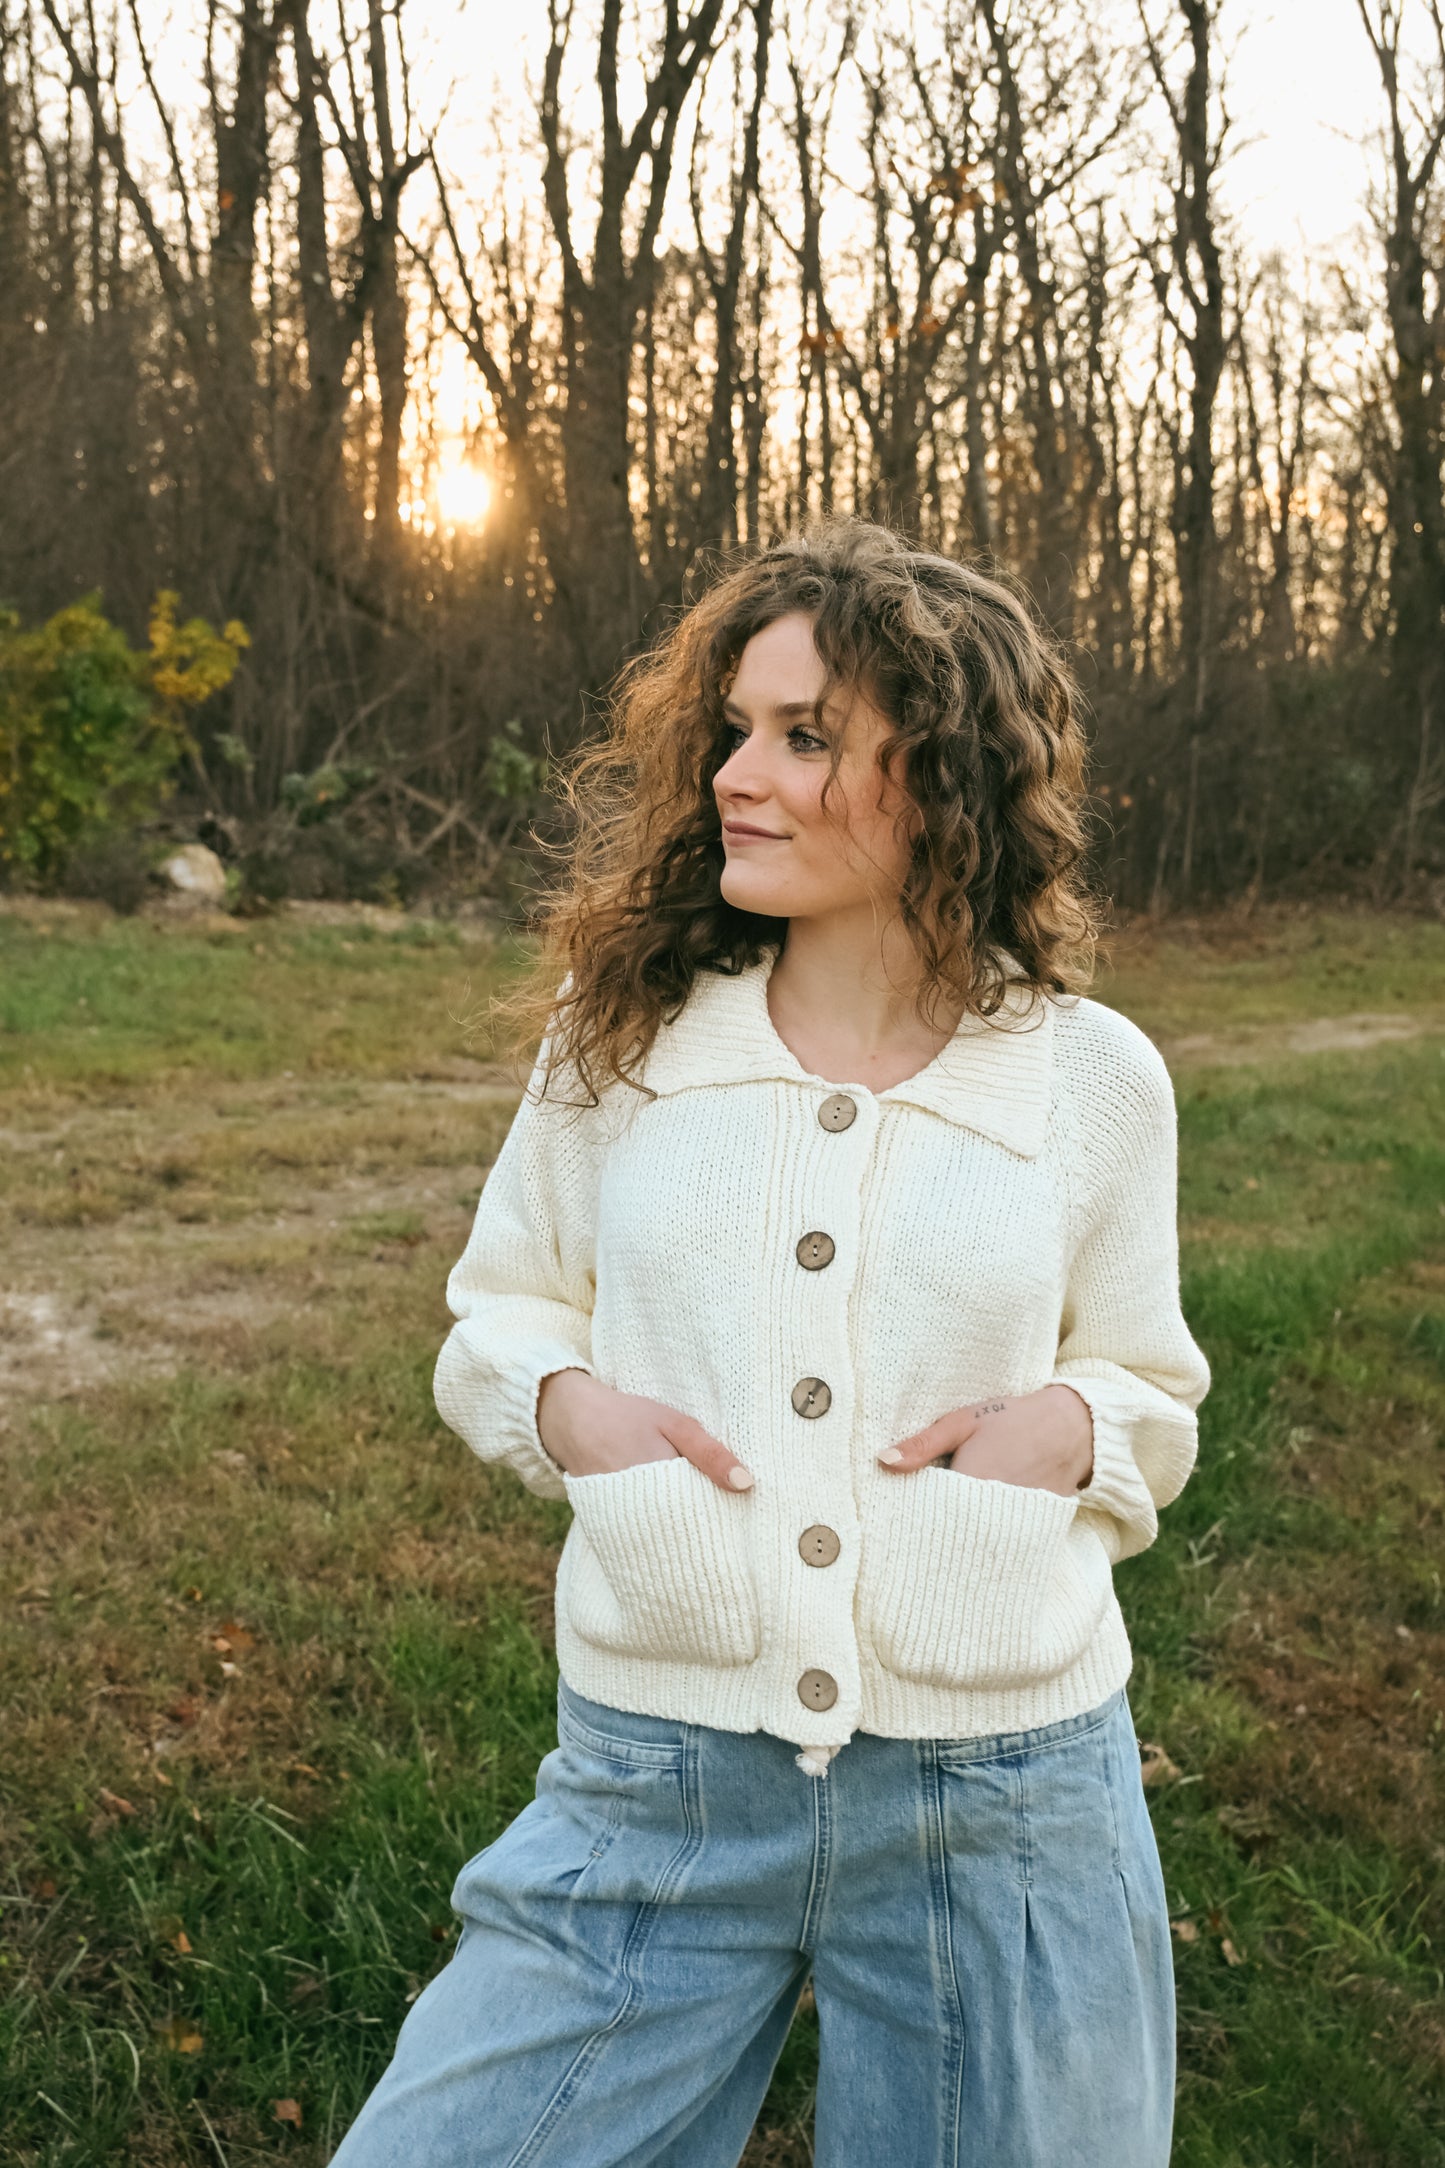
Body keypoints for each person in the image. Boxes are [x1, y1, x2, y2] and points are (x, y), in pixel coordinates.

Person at [329, 518, 1212, 2168]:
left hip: (1001, 1804)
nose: (740, 771)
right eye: (734, 727)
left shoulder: (1091, 1081)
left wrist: (1069, 1438)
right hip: (658, 1782)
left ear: (943, 776)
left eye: (804, 738)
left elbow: (1149, 1389)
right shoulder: (625, 1046)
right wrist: (568, 1407)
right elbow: (497, 1317)